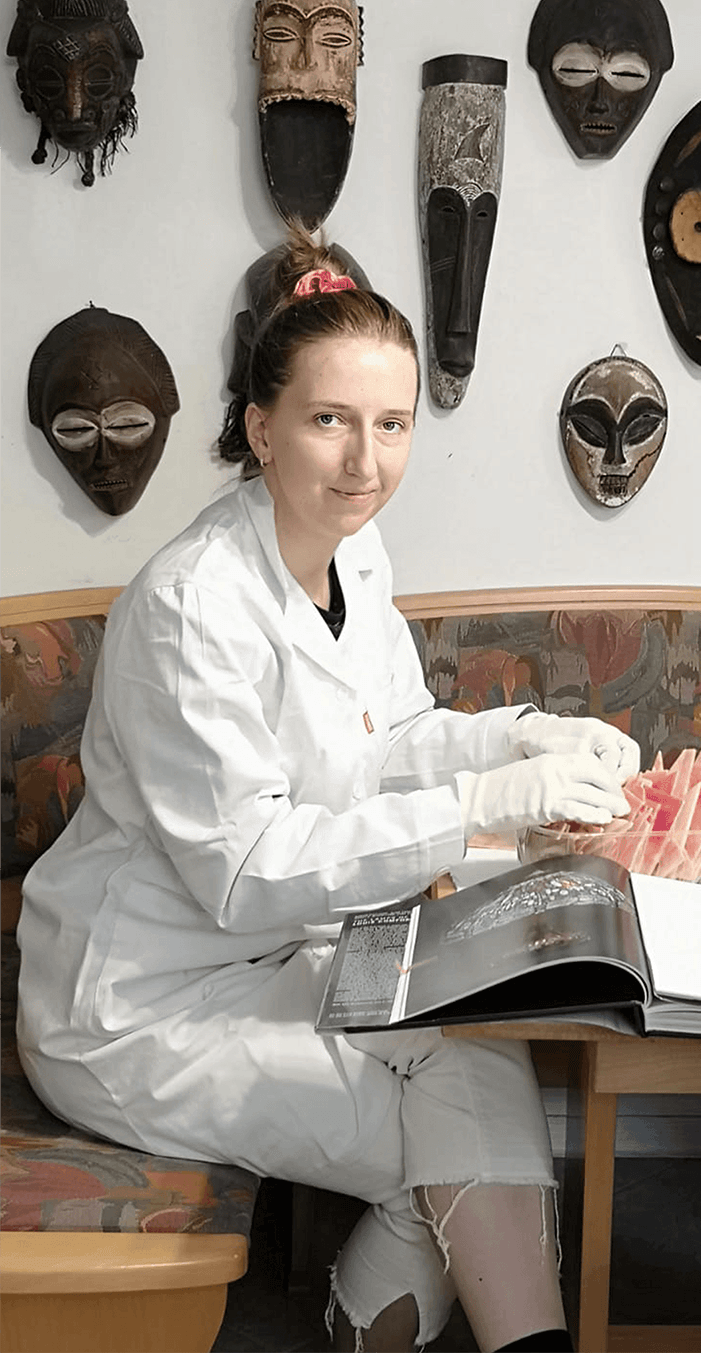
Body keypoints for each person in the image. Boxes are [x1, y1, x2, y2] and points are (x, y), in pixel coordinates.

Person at [16, 226, 641, 1353]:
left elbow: (392, 735)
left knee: (480, 1057)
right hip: (144, 1006)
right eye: (329, 420)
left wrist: (519, 734)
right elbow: (248, 873)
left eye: (391, 423)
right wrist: (489, 804)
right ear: (260, 428)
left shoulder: (355, 554)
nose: (366, 460)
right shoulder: (188, 606)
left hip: (292, 959)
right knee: (456, 1158)